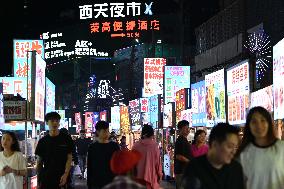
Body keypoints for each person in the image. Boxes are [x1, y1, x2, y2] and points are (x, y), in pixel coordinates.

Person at [182, 123, 244, 189]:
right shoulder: (194, 168)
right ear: (215, 144)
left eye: (235, 147)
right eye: (229, 146)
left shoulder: (236, 169)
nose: (233, 151)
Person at [237, 106, 284, 189]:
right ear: (249, 126)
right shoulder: (244, 153)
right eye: (254, 122)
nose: (259, 125)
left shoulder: (281, 148)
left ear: (269, 123)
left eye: (263, 120)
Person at [35, 112, 74, 189]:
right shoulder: (43, 141)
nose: (55, 123)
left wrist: (66, 174)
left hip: (63, 178)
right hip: (47, 178)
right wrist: (39, 180)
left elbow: (69, 158)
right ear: (47, 123)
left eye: (57, 121)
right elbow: (39, 162)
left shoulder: (66, 139)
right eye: (52, 121)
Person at [87, 121, 120, 189]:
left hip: (111, 181)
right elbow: (89, 166)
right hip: (96, 182)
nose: (107, 133)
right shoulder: (92, 147)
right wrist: (89, 183)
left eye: (108, 130)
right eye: (104, 131)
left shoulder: (114, 146)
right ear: (98, 132)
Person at [132, 124, 162, 189]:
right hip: (151, 178)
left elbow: (132, 163)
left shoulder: (135, 146)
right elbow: (158, 163)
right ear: (152, 134)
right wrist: (160, 175)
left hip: (138, 177)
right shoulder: (154, 146)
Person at [174, 120, 191, 189]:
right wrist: (190, 162)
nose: (188, 130)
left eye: (188, 128)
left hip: (183, 171)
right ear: (180, 129)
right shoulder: (180, 140)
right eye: (186, 128)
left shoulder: (184, 140)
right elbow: (178, 156)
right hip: (181, 171)